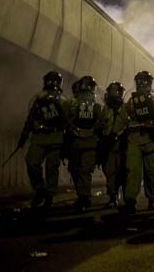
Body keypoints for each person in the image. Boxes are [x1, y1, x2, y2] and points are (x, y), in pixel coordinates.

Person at [18, 71, 67, 211]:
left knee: (51, 168)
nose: (52, 83)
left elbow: (67, 121)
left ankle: (49, 197)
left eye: (54, 81)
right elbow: (31, 118)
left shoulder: (62, 100)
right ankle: (40, 190)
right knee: (32, 161)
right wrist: (24, 134)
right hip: (40, 136)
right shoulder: (39, 98)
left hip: (55, 137)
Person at [115, 71, 154, 214]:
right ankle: (130, 200)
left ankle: (152, 198)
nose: (141, 84)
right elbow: (123, 116)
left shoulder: (153, 99)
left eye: (143, 81)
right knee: (133, 171)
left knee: (149, 171)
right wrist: (114, 132)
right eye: (139, 81)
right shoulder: (131, 100)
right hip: (134, 139)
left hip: (148, 138)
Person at [64, 75, 104, 212]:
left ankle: (83, 197)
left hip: (78, 141)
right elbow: (101, 123)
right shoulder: (97, 105)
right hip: (89, 142)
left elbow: (66, 120)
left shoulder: (73, 103)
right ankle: (83, 197)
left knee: (79, 170)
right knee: (82, 171)